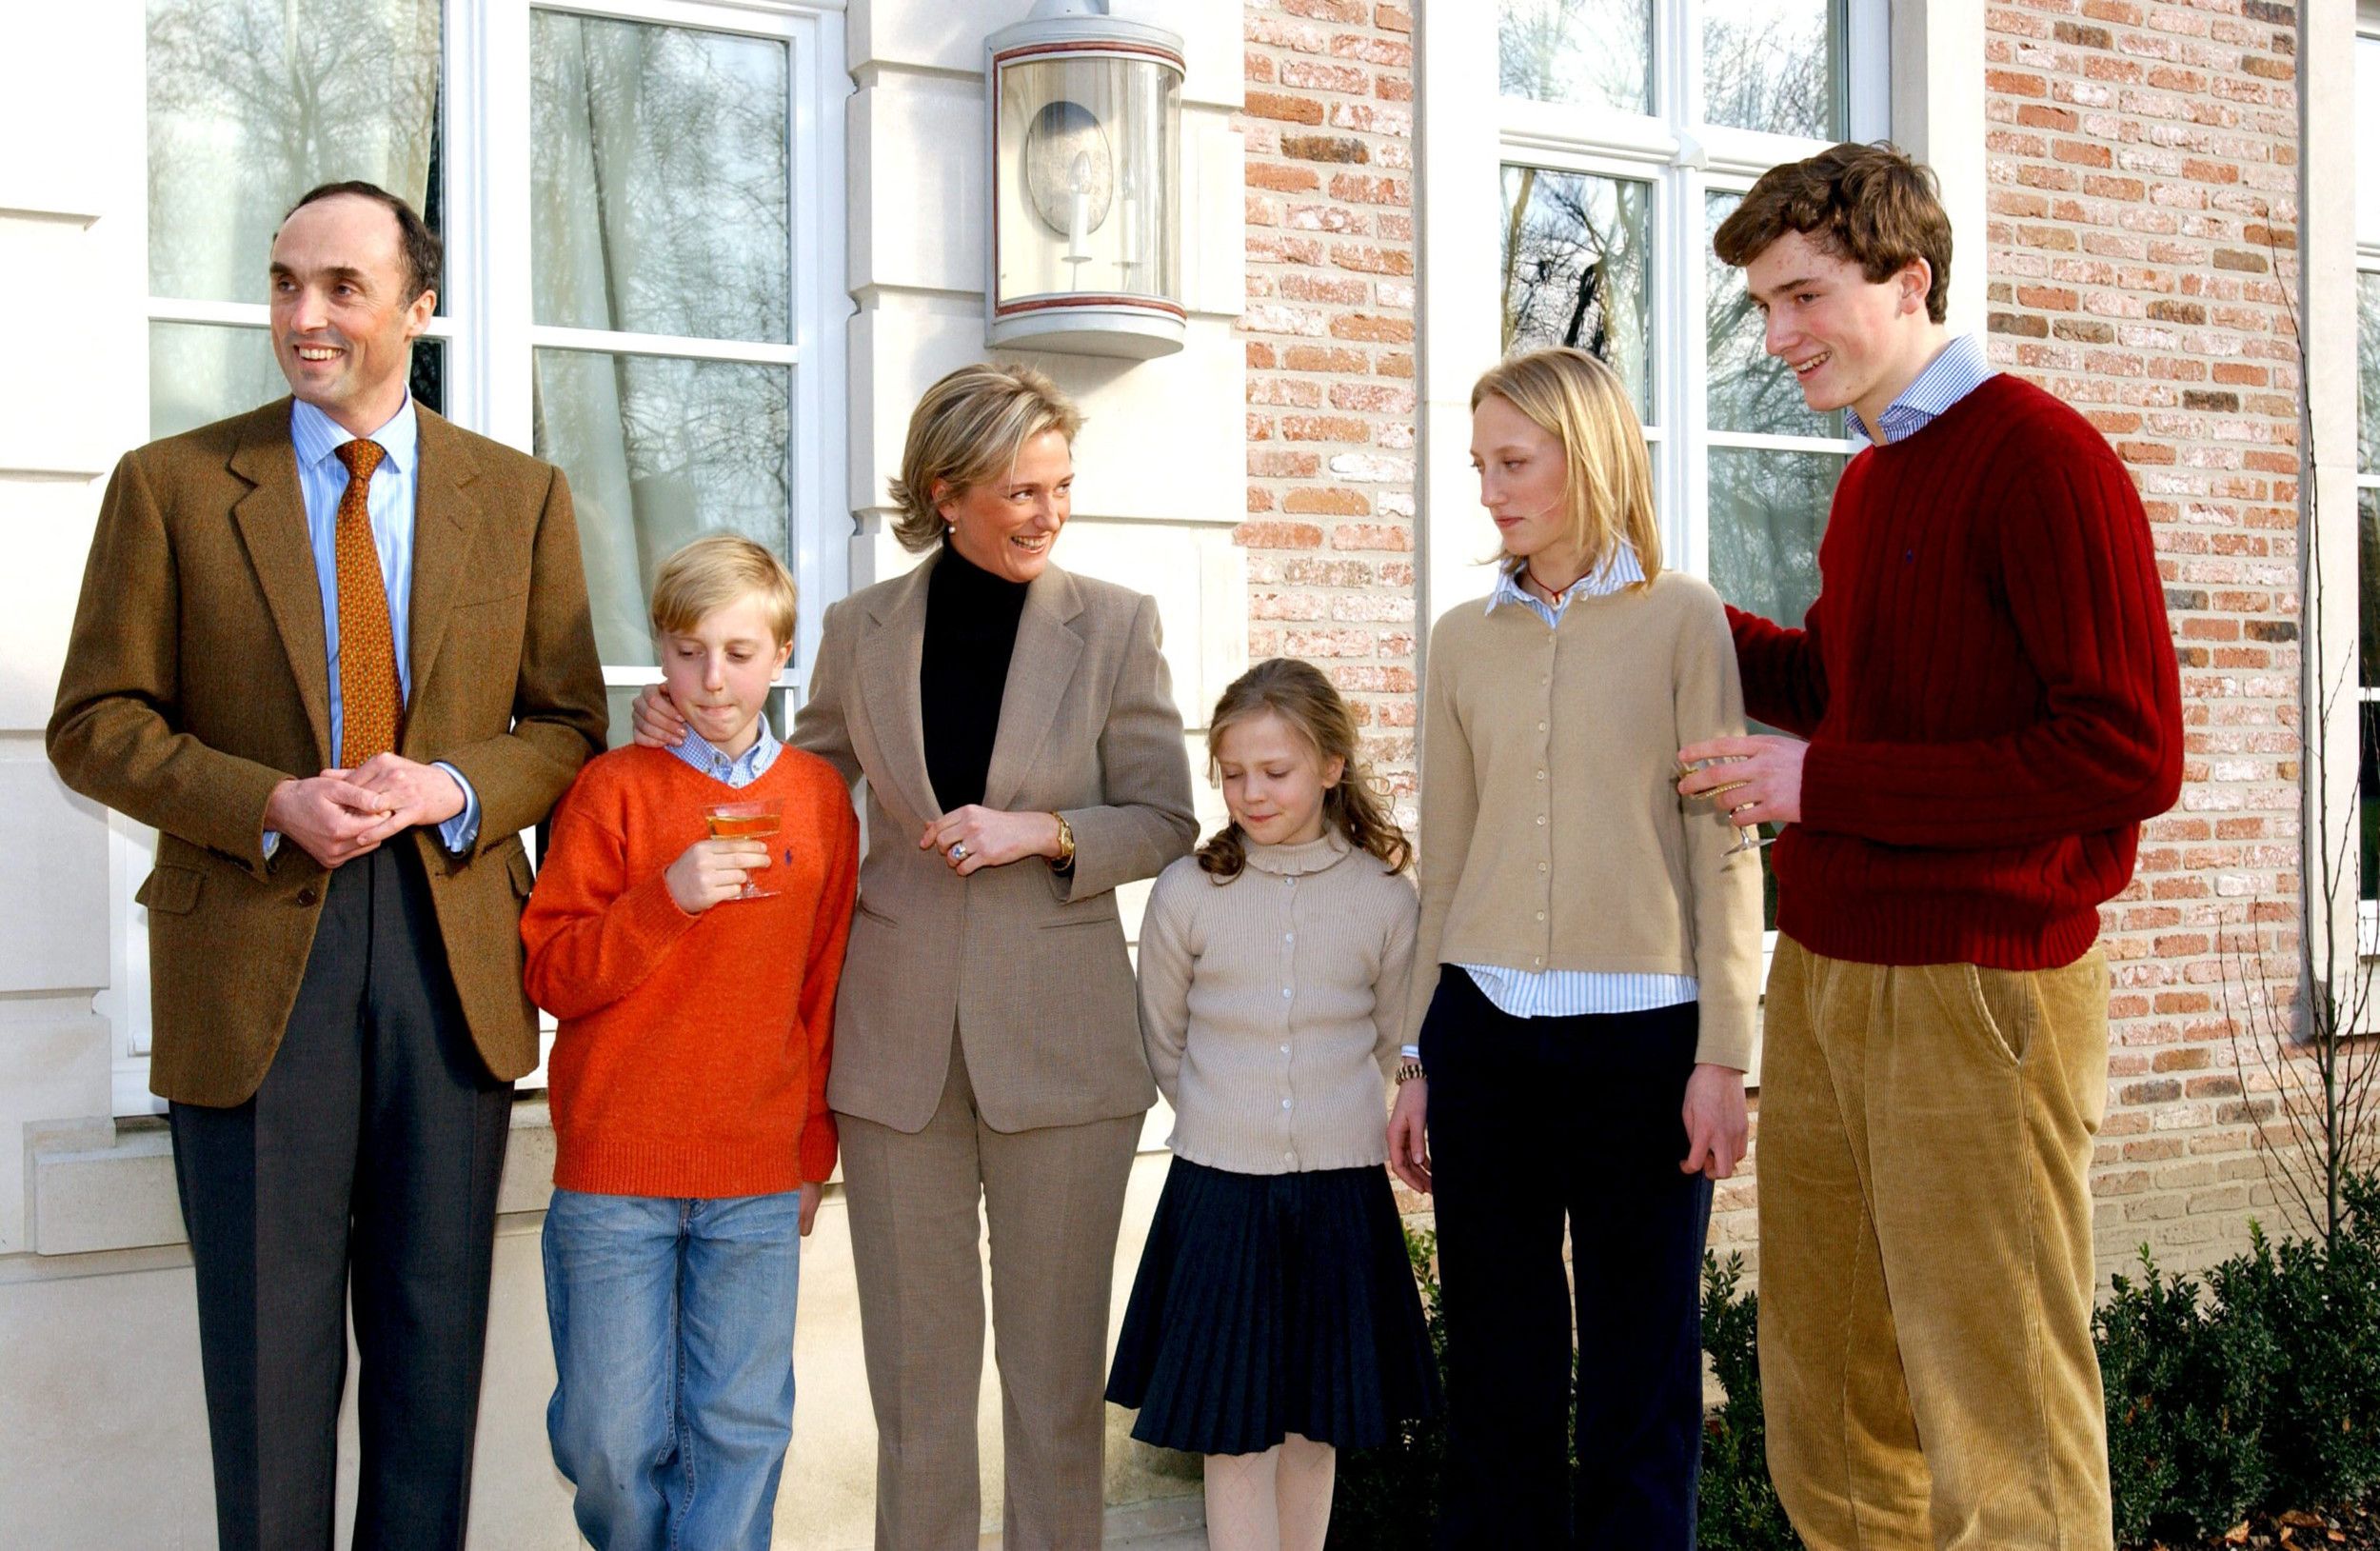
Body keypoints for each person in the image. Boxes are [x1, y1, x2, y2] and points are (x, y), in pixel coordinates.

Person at [46, 181, 606, 1548]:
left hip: (449, 957)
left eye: (342, 287)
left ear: (418, 309)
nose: (305, 315)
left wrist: (455, 782)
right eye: (286, 281)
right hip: (249, 964)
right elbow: (94, 724)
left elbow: (571, 724)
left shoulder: (520, 496)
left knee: (432, 1368)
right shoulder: (171, 488)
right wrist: (269, 800)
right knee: (267, 1371)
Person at [1683, 141, 2182, 1551]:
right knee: (1830, 1407)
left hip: (1981, 989)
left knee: (2000, 1409)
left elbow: (2128, 754)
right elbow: (1851, 695)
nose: (1777, 337)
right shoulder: (1877, 481)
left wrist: (1823, 783)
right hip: (1832, 973)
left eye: (1803, 298)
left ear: (1909, 282)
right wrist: (1668, 619)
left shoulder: (2043, 460)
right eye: (1763, 308)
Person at [631, 362, 1198, 1548]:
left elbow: (1162, 817)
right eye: (1019, 491)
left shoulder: (1118, 624)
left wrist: (1040, 832)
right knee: (918, 1400)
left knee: (1052, 1398)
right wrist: (690, 731)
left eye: (1060, 486)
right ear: (946, 493)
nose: (1048, 513)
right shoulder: (859, 628)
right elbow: (799, 786)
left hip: (1060, 1058)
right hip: (893, 1059)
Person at [1386, 346, 1764, 1548]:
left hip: (1645, 1046)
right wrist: (1415, 1054)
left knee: (1639, 1371)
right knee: (1496, 1365)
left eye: (1514, 462)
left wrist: (1724, 1056)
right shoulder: (1461, 638)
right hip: (1483, 1037)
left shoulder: (1681, 619)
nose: (1490, 489)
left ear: (1586, 457)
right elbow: (1443, 855)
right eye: (1480, 464)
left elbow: (1725, 846)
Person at [521, 534, 858, 1550]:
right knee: (610, 1441)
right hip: (615, 1173)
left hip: (753, 1176)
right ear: (660, 656)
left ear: (783, 654)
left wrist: (812, 1152)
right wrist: (663, 902)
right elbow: (552, 973)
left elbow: (824, 990)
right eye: (688, 651)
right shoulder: (612, 790)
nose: (714, 679)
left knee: (740, 1430)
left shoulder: (818, 801)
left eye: (741, 652)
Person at [1106, 656, 1439, 1551]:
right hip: (1220, 1194)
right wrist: (1235, 1122)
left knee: (1312, 1427)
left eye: (1276, 771)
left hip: (1341, 1194)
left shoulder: (1383, 897)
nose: (1251, 792)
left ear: (1333, 766)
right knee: (1234, 1434)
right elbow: (1164, 1042)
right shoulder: (1188, 892)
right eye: (1233, 773)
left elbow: (1399, 1045)